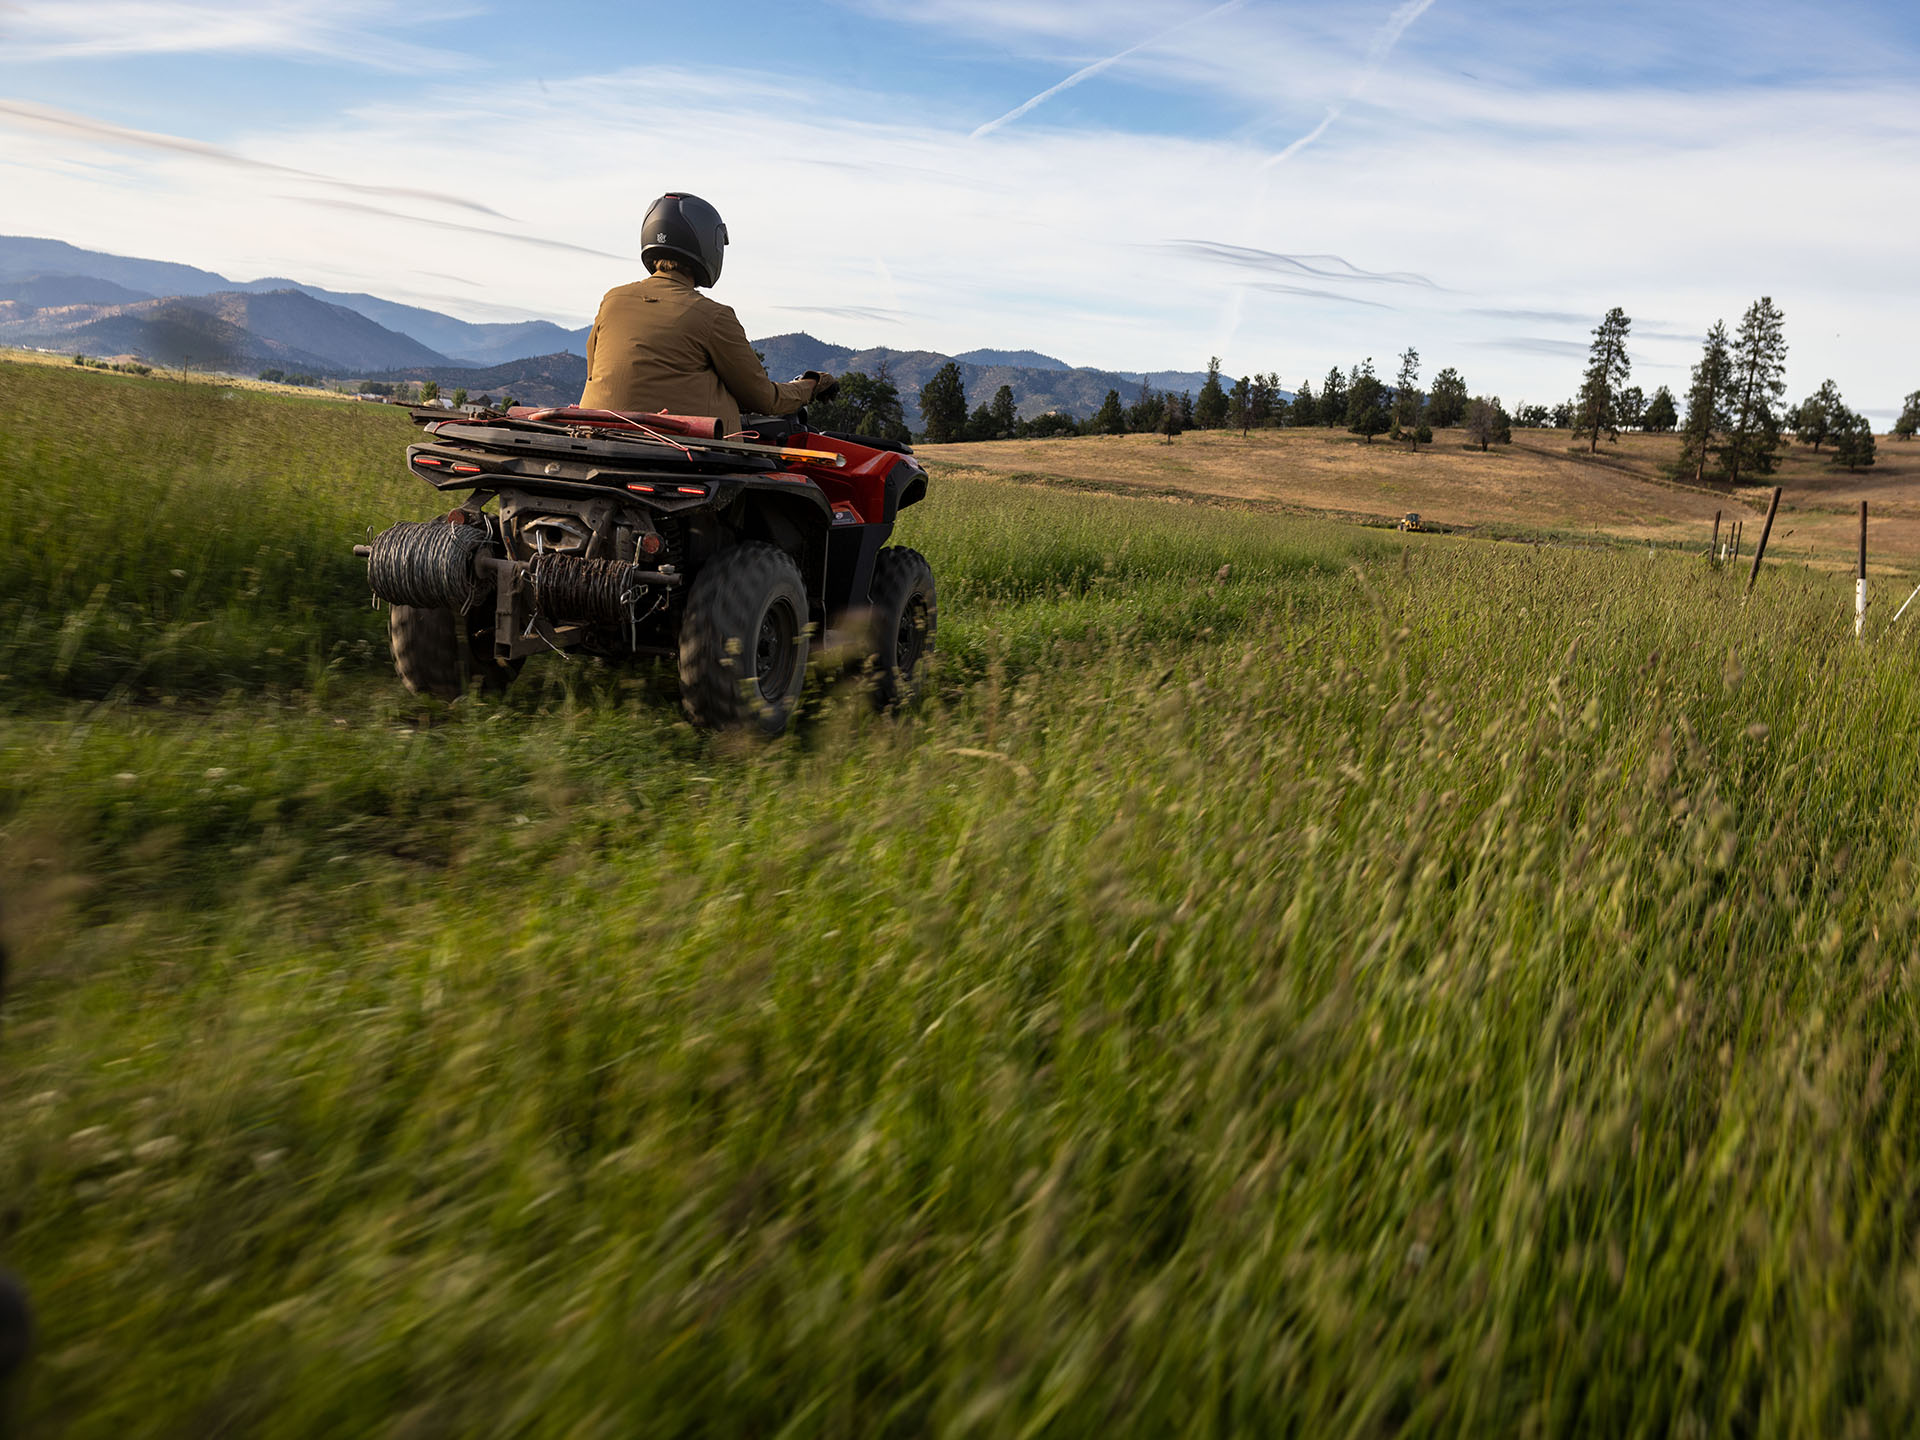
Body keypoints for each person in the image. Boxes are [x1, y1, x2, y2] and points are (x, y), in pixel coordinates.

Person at [579, 193, 837, 436]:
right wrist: (812, 385)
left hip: (600, 438)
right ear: (707, 244)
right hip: (687, 453)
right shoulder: (714, 316)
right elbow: (765, 399)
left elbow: (596, 372)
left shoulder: (613, 300)